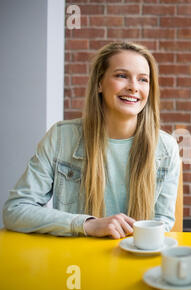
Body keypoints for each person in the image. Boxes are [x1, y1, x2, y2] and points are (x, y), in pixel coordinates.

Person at [3, 41, 180, 238]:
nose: (133, 87)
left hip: (133, 259)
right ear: (99, 83)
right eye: (122, 76)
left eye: (143, 80)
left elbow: (162, 224)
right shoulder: (61, 138)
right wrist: (87, 225)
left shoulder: (166, 148)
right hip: (74, 261)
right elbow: (15, 210)